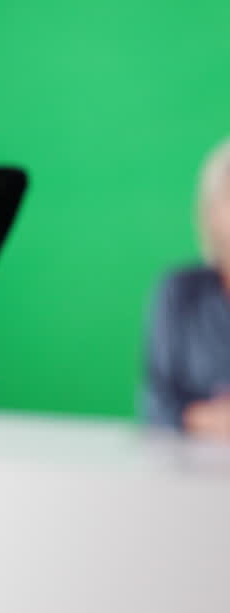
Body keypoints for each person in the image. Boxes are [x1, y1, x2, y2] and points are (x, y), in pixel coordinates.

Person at [145, 139, 230, 439]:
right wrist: (211, 420)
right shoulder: (180, 291)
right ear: (210, 212)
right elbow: (155, 405)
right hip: (191, 471)